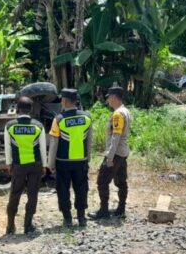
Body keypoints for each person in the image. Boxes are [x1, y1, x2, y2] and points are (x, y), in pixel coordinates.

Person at [48, 89, 93, 228]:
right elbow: (89, 140)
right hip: (81, 161)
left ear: (65, 101)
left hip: (63, 161)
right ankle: (81, 217)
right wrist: (88, 157)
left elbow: (54, 142)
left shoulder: (59, 119)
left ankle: (67, 218)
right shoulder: (87, 117)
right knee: (81, 188)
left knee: (63, 189)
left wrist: (50, 163)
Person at [4, 97, 47, 235]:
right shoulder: (38, 126)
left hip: (18, 166)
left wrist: (9, 163)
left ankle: (10, 226)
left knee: (14, 195)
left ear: (17, 109)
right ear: (31, 109)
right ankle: (28, 226)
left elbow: (8, 148)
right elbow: (42, 148)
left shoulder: (10, 126)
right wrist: (44, 165)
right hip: (35, 165)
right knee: (32, 195)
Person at [90, 86, 132, 220]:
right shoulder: (125, 111)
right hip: (123, 152)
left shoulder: (118, 114)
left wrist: (109, 157)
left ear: (114, 97)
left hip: (116, 153)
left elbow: (116, 136)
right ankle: (121, 209)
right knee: (121, 180)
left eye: (109, 97)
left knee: (102, 181)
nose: (108, 100)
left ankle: (103, 211)